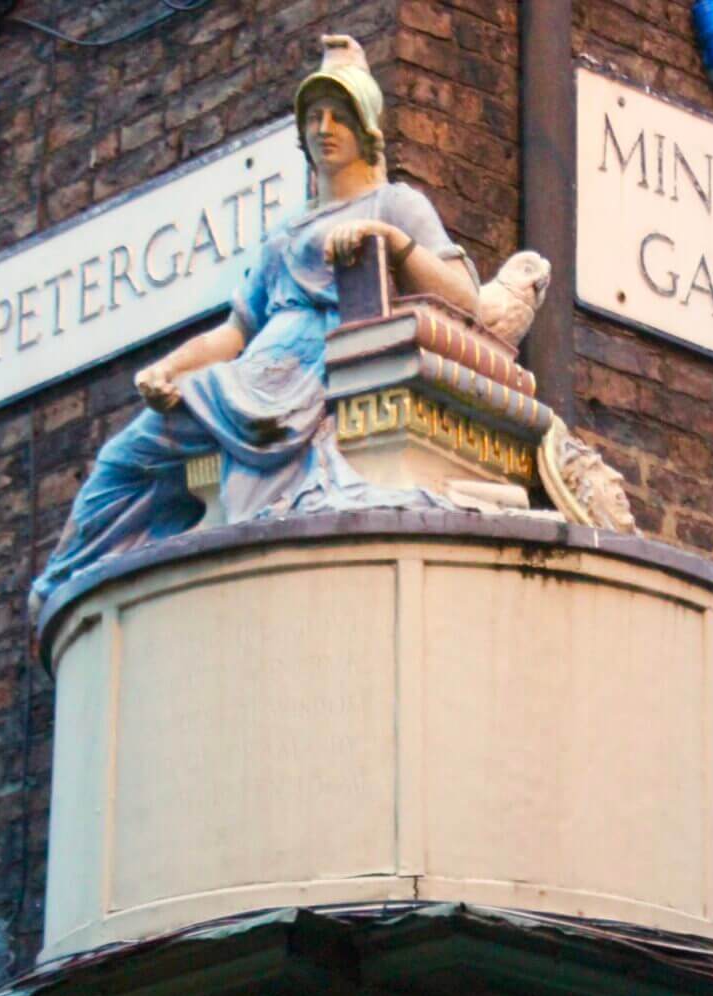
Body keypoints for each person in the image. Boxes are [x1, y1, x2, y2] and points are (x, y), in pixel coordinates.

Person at [29, 35, 479, 612]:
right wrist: (169, 368)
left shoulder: (394, 205)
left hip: (317, 369)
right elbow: (234, 332)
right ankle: (66, 589)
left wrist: (392, 242)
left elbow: (464, 299)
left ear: (365, 127)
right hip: (252, 372)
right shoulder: (283, 234)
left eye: (339, 115)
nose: (324, 129)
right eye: (313, 117)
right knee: (124, 456)